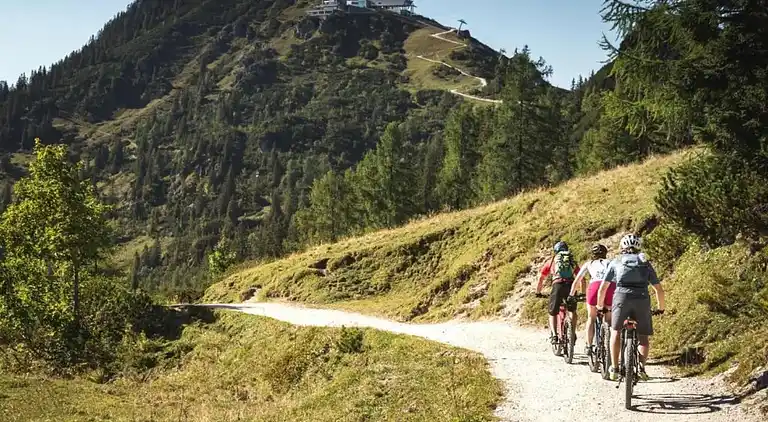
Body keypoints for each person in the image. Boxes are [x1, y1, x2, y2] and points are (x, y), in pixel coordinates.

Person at [597, 234, 665, 381]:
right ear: (638, 247)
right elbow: (658, 289)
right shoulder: (644, 262)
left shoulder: (616, 261)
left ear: (622, 247)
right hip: (641, 298)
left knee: (615, 331)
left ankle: (614, 368)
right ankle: (641, 367)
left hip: (621, 298)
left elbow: (603, 288)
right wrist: (661, 308)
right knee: (643, 337)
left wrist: (600, 306)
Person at [569, 244, 612, 356]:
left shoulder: (589, 264)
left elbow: (577, 280)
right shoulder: (610, 263)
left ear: (593, 255)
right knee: (608, 318)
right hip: (609, 286)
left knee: (591, 317)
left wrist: (571, 295)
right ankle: (609, 345)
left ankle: (589, 346)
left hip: (594, 287)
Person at [536, 241, 581, 345]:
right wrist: (582, 292)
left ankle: (555, 336)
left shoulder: (552, 261)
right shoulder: (571, 261)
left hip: (557, 286)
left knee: (552, 312)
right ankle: (573, 332)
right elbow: (581, 278)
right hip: (571, 286)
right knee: (572, 310)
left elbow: (541, 278)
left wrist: (538, 292)